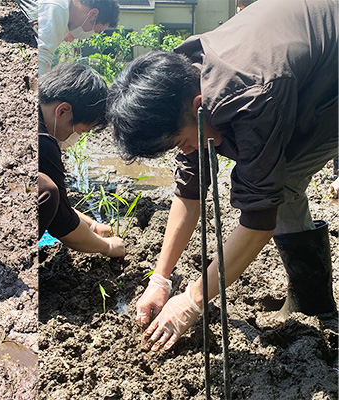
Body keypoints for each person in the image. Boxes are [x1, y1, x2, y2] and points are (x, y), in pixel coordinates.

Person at [107, 0, 337, 351]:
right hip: (300, 58)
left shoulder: (252, 95)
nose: (182, 150)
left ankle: (313, 302)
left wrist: (193, 300)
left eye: (179, 142)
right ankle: (313, 298)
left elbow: (259, 220)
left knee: (284, 182)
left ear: (199, 107)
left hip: (328, 69)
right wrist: (161, 279)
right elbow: (189, 190)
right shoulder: (182, 79)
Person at [39, 62, 125, 258]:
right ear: (62, 111)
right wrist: (107, 247)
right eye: (80, 130)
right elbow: (62, 224)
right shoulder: (43, 144)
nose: (76, 136)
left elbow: (60, 206)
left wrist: (93, 225)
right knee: (46, 191)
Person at [38, 0, 119, 76]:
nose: (91, 35)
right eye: (96, 30)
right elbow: (41, 58)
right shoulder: (56, 10)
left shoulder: (63, 10)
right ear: (93, 14)